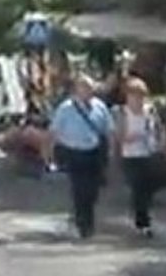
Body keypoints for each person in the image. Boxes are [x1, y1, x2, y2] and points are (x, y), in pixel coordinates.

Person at [49, 74, 113, 239]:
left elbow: (108, 130)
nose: (87, 91)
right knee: (79, 189)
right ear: (76, 90)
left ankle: (86, 218)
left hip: (94, 153)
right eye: (83, 87)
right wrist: (50, 153)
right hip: (74, 153)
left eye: (90, 88)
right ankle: (84, 224)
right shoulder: (66, 108)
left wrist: (111, 151)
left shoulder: (100, 107)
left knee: (92, 190)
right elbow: (54, 131)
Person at [116, 77, 161, 237]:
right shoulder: (123, 113)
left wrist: (157, 140)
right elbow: (119, 137)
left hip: (148, 153)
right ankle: (143, 223)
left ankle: (143, 216)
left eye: (140, 96)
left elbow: (157, 129)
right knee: (138, 188)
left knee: (147, 189)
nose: (137, 100)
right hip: (130, 155)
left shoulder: (150, 110)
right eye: (133, 96)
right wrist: (131, 137)